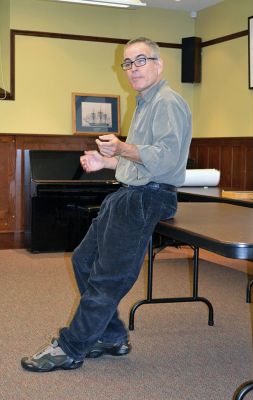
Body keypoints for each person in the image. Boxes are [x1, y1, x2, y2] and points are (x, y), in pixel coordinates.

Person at [21, 37, 192, 372]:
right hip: (131, 193)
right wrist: (107, 163)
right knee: (84, 261)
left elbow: (166, 159)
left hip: (148, 197)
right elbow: (141, 160)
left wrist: (122, 150)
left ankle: (71, 347)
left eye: (141, 60)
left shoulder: (167, 102)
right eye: (128, 63)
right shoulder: (145, 103)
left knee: (107, 277)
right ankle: (111, 336)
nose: (133, 69)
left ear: (159, 63)